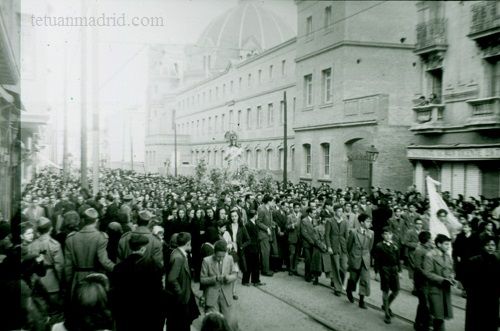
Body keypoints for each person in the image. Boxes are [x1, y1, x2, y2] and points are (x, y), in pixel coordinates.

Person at [111, 233, 165, 331]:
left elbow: (116, 294)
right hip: (149, 317)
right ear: (143, 248)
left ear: (131, 247)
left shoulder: (119, 268)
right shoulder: (154, 266)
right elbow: (159, 294)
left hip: (127, 318)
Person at [64, 208, 115, 297]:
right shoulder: (101, 237)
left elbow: (68, 266)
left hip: (77, 278)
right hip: (96, 278)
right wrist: (118, 269)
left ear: (83, 220)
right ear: (96, 221)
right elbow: (104, 261)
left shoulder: (71, 238)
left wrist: (69, 283)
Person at [28, 217, 64, 315]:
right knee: (55, 312)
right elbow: (59, 267)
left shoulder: (31, 245)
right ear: (51, 229)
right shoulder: (55, 244)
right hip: (52, 283)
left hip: (36, 281)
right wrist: (61, 282)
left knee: (41, 312)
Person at [200, 239, 239, 331]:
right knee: (214, 325)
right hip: (211, 296)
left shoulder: (229, 258)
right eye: (218, 256)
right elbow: (202, 280)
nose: (220, 259)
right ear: (214, 252)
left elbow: (235, 275)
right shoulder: (206, 261)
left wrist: (229, 278)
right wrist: (215, 279)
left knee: (231, 323)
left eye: (223, 256)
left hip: (226, 296)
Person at [463, 235, 500, 331]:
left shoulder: (497, 261)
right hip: (476, 300)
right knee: (476, 324)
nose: (491, 247)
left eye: (493, 245)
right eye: (488, 245)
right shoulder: (474, 260)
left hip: (492, 300)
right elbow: (466, 280)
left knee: (490, 324)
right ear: (483, 246)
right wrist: (471, 293)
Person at [165, 232, 200, 331]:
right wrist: (180, 293)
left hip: (182, 297)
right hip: (181, 299)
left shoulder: (178, 253)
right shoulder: (179, 257)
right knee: (182, 325)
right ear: (188, 243)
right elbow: (172, 278)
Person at [422, 234, 455, 331]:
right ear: (439, 244)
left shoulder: (447, 256)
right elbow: (428, 273)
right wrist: (443, 280)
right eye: (446, 244)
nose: (448, 247)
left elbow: (451, 270)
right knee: (438, 317)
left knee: (441, 316)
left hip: (445, 290)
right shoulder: (430, 255)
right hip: (434, 290)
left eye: (449, 244)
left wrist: (452, 277)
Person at [373, 226, 401, 324]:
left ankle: (386, 305)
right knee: (385, 290)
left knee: (396, 290)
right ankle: (386, 314)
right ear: (382, 235)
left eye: (389, 234)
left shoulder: (395, 245)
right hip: (384, 270)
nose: (387, 236)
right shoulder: (379, 246)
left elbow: (398, 259)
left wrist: (400, 271)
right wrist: (376, 272)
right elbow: (376, 260)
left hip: (394, 269)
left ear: (392, 235)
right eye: (385, 234)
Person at [346, 213, 374, 309]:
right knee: (353, 279)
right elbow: (348, 246)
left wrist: (366, 255)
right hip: (355, 258)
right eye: (367, 221)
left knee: (365, 280)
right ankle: (349, 290)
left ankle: (361, 300)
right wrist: (352, 256)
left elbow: (370, 247)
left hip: (365, 259)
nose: (369, 223)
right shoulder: (354, 232)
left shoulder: (371, 233)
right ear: (361, 222)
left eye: (370, 221)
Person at [325, 204, 349, 296]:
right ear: (334, 211)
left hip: (343, 246)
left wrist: (347, 247)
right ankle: (337, 288)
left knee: (344, 267)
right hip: (334, 246)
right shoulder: (330, 221)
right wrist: (329, 246)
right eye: (338, 211)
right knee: (336, 267)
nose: (340, 213)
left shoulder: (345, 222)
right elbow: (327, 235)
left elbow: (346, 235)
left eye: (341, 211)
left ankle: (341, 283)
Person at [413, 231, 433, 331]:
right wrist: (428, 275)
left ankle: (418, 323)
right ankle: (425, 325)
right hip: (421, 281)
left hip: (426, 281)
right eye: (430, 239)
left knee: (423, 303)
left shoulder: (428, 248)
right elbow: (417, 267)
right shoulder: (419, 250)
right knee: (425, 304)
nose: (432, 240)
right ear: (426, 240)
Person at [242, 210, 264, 286]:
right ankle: (245, 281)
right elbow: (247, 237)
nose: (257, 216)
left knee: (256, 264)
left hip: (255, 246)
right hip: (250, 247)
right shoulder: (248, 224)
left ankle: (256, 280)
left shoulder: (254, 223)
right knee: (249, 264)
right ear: (254, 215)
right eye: (257, 214)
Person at [256, 195, 274, 276]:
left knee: (267, 252)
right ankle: (265, 270)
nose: (273, 203)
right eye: (272, 201)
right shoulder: (262, 209)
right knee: (265, 252)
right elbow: (258, 222)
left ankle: (265, 268)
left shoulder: (268, 209)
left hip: (267, 233)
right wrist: (267, 228)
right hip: (263, 234)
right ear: (269, 201)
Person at [300, 207, 317, 283]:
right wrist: (311, 241)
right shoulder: (304, 221)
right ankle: (307, 276)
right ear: (309, 213)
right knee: (308, 260)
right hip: (307, 243)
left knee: (313, 260)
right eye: (314, 213)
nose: (315, 214)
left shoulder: (315, 220)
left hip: (314, 243)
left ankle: (312, 274)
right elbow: (304, 233)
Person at [286, 202, 301, 276]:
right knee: (292, 253)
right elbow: (286, 227)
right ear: (293, 208)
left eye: (298, 207)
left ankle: (295, 269)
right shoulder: (289, 216)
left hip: (299, 237)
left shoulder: (301, 216)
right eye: (296, 207)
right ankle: (291, 269)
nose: (297, 209)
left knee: (297, 255)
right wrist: (291, 226)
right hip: (292, 237)